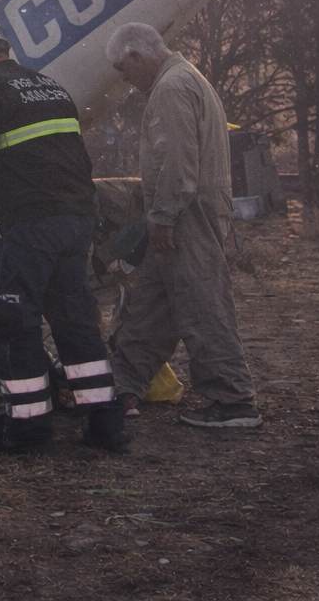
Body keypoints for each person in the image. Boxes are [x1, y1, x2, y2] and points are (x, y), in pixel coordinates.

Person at [0, 19, 129, 455]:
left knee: (11, 321)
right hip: (76, 218)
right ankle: (104, 424)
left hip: (29, 223)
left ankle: (28, 431)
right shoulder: (48, 86)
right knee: (75, 318)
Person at [105, 23, 262, 429]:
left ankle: (232, 401)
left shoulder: (171, 88)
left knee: (201, 303)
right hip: (188, 210)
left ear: (138, 57)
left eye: (125, 70)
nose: (127, 79)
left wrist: (163, 215)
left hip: (184, 214)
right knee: (152, 304)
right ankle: (124, 386)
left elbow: (176, 159)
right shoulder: (185, 78)